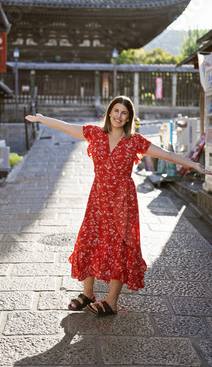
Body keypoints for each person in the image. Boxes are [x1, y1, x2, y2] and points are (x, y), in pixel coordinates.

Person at [25, 95, 210, 317]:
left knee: (118, 247)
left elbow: (166, 154)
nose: (119, 116)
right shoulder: (95, 134)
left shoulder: (135, 141)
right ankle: (88, 294)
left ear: (129, 117)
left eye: (124, 113)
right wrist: (43, 119)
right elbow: (66, 127)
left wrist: (193, 164)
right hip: (98, 198)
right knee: (89, 240)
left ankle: (111, 302)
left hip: (123, 201)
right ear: (109, 112)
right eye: (116, 111)